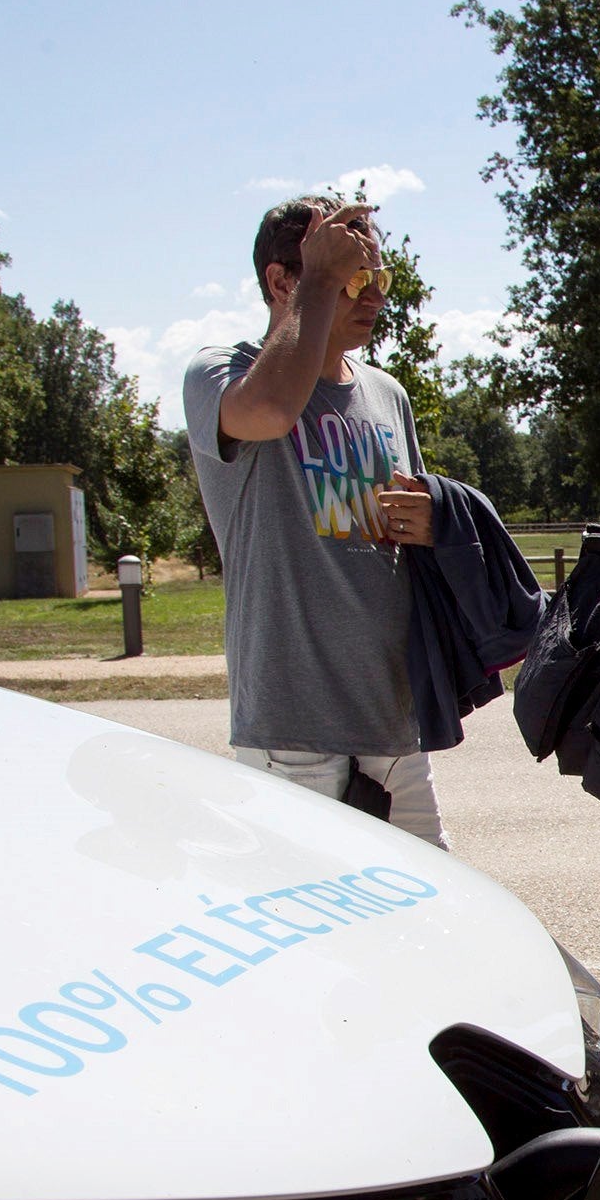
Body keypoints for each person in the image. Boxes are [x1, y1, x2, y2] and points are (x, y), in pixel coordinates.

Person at [182, 196, 449, 846]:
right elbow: (271, 411)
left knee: (433, 922)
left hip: (391, 725)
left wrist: (432, 521)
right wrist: (320, 284)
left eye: (376, 278)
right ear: (282, 282)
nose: (374, 297)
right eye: (350, 278)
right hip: (293, 731)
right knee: (322, 937)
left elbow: (407, 537)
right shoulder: (223, 374)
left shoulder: (387, 395)